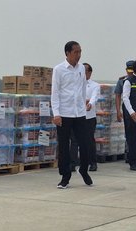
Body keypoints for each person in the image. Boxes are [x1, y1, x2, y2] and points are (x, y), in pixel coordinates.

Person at [51, 41, 92, 189]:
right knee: (64, 146)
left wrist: (83, 107)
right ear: (67, 53)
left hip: (79, 113)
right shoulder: (59, 69)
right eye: (76, 52)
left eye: (80, 52)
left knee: (85, 144)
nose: (79, 55)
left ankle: (84, 170)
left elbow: (82, 90)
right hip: (64, 113)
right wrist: (56, 114)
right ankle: (65, 176)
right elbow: (55, 93)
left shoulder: (81, 68)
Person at [114, 60, 135, 161]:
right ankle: (130, 153)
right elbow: (118, 96)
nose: (130, 72)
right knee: (129, 133)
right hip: (127, 109)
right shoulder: (122, 81)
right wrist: (118, 111)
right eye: (129, 69)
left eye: (132, 69)